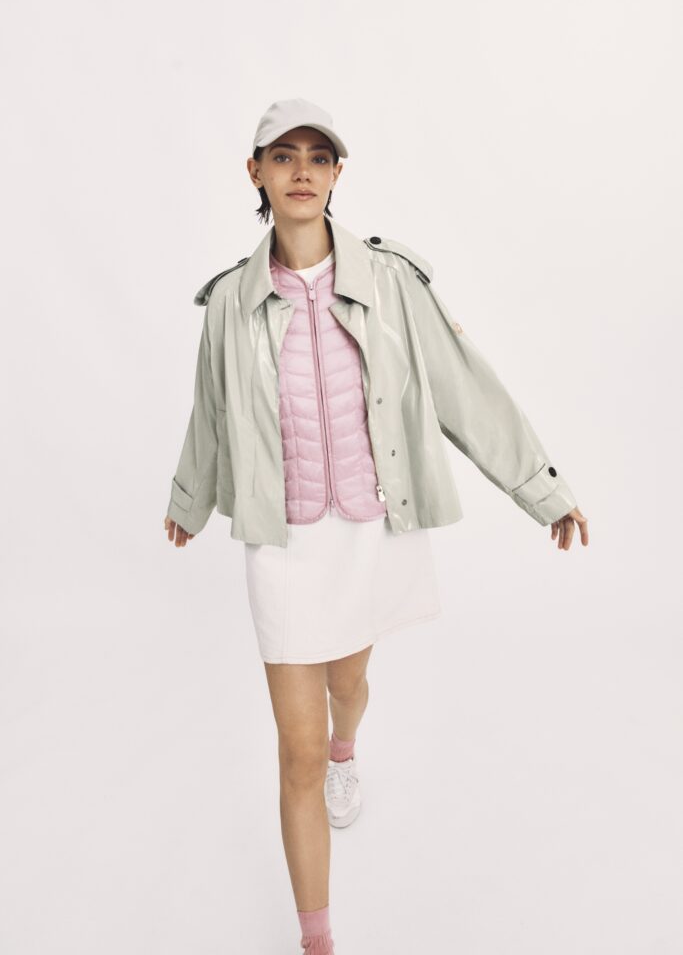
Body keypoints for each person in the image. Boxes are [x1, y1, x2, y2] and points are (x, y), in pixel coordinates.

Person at [163, 98, 589, 954]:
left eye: (318, 157)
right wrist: (188, 499)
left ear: (336, 174)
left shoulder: (390, 280)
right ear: (255, 173)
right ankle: (317, 940)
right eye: (283, 156)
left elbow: (464, 386)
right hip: (281, 542)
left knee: (347, 686)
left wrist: (541, 488)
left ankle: (348, 749)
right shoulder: (229, 301)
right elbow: (210, 410)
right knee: (294, 752)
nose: (302, 172)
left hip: (370, 528)